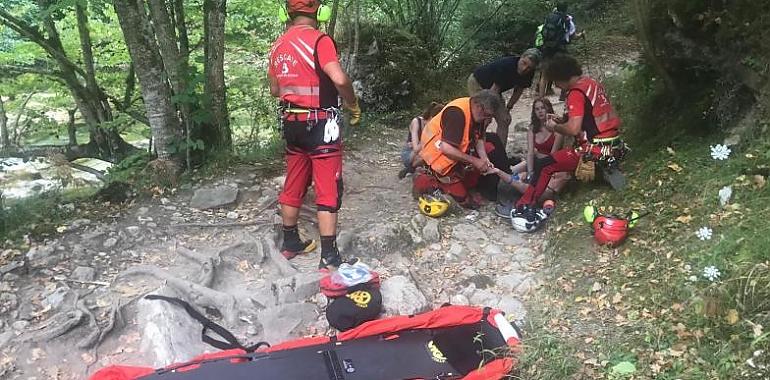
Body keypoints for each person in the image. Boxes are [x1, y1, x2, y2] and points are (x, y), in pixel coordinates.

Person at [268, 0, 362, 269]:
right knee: (327, 186)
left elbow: (275, 89)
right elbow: (340, 79)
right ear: (320, 12)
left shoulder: (278, 45)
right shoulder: (320, 41)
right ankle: (329, 256)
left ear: (287, 12)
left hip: (292, 123)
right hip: (321, 125)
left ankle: (290, 242)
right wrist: (353, 104)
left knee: (295, 180)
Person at [512, 54, 624, 231]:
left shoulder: (575, 93)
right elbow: (590, 116)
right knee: (558, 161)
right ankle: (606, 166)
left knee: (545, 165)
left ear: (561, 77)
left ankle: (524, 204)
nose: (556, 86)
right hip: (614, 144)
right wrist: (562, 119)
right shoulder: (592, 84)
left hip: (594, 147)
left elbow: (573, 129)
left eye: (555, 81)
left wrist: (554, 127)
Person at [413, 90, 511, 208]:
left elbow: (478, 138)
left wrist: (485, 160)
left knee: (490, 148)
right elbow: (446, 148)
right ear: (479, 107)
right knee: (463, 200)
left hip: (454, 156)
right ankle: (426, 180)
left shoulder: (477, 114)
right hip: (438, 157)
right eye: (488, 115)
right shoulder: (457, 113)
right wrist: (475, 161)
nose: (488, 119)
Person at [492, 98, 571, 212]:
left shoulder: (556, 129)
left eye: (543, 108)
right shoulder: (533, 128)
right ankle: (497, 182)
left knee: (537, 185)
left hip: (550, 163)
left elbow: (552, 156)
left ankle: (521, 192)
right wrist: (530, 172)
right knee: (511, 170)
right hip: (535, 160)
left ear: (548, 109)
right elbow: (530, 152)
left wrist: (537, 158)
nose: (540, 111)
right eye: (537, 109)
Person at [467, 49, 541, 148]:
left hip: (495, 90)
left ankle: (500, 152)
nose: (524, 69)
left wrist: (508, 108)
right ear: (521, 57)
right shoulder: (506, 66)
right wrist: (488, 114)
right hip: (478, 83)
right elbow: (493, 92)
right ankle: (476, 148)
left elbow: (518, 90)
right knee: (482, 119)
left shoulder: (529, 73)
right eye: (524, 63)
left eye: (529, 68)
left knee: (505, 119)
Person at [398, 102, 445, 179]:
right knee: (429, 154)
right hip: (410, 154)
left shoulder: (435, 127)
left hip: (421, 153)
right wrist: (428, 140)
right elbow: (416, 148)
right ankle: (411, 168)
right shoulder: (417, 122)